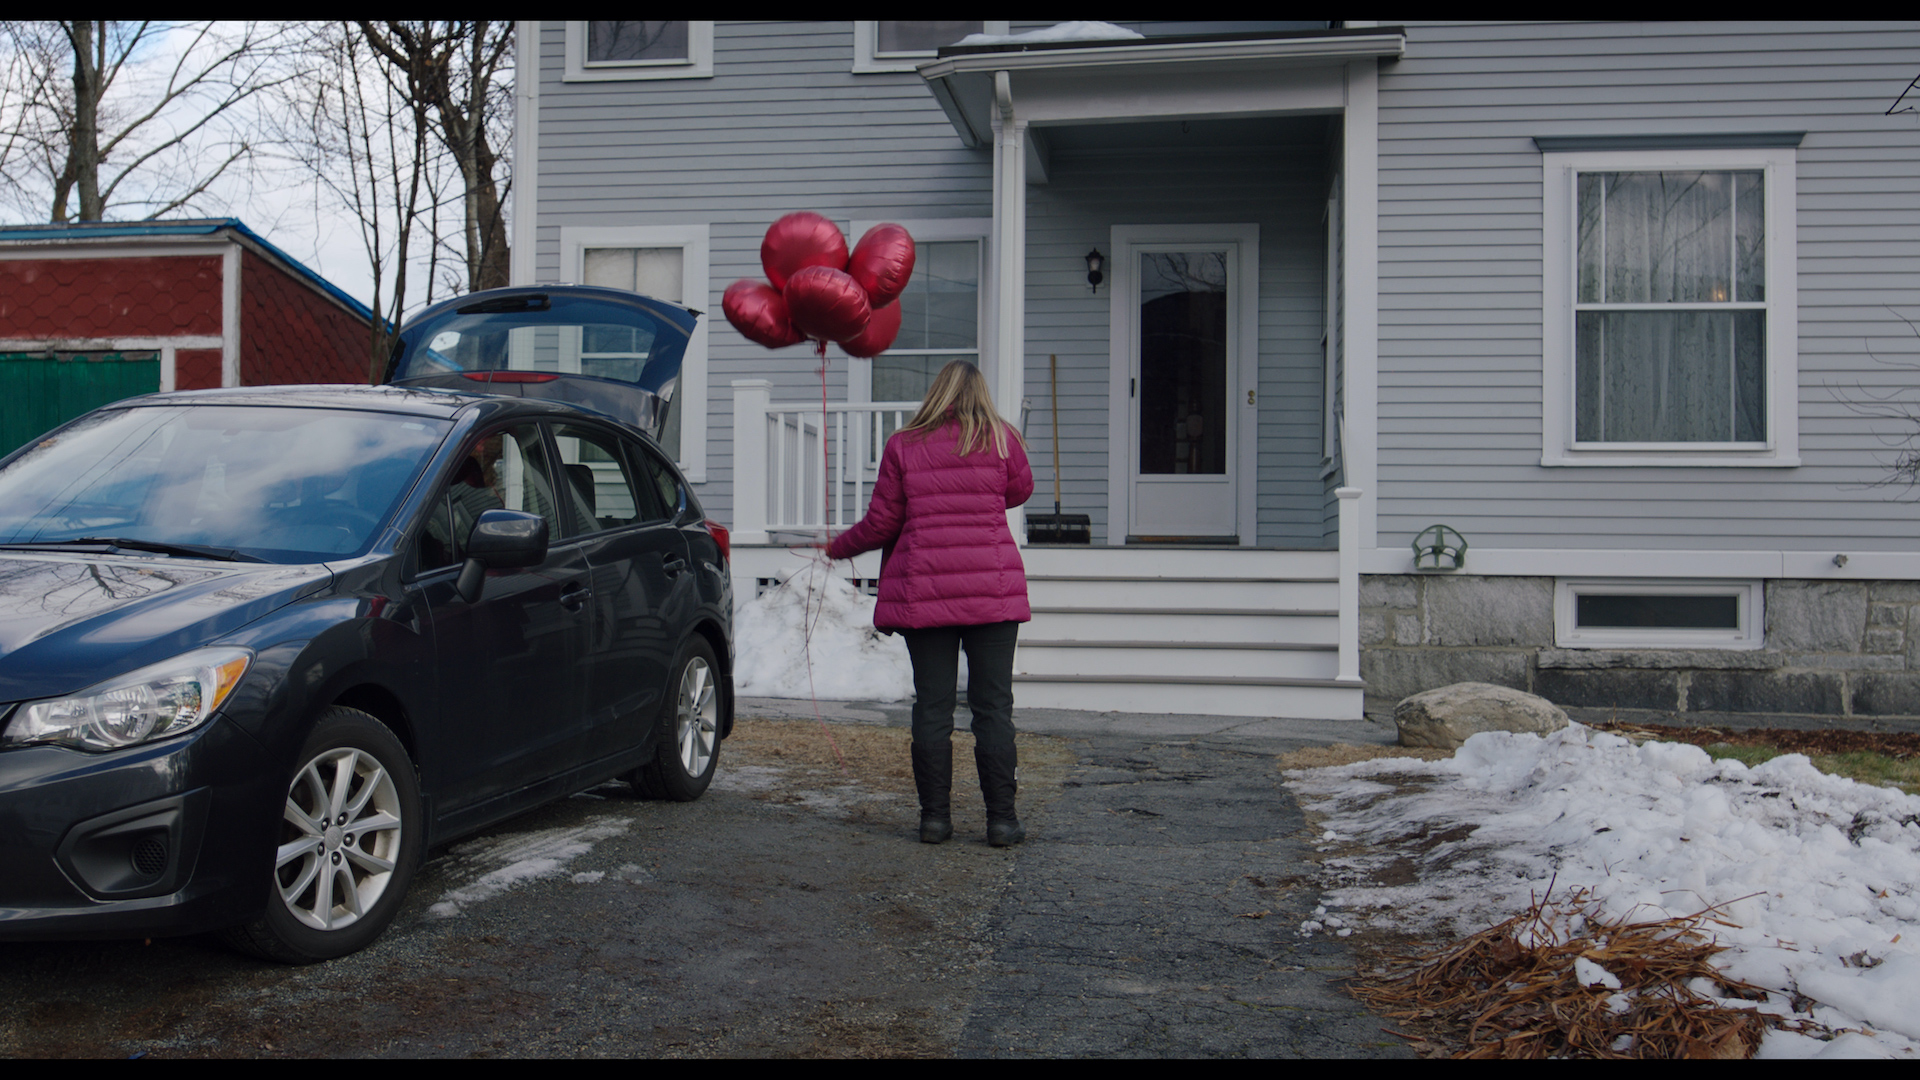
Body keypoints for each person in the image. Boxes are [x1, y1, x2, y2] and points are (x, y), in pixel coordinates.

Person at [827, 360, 1035, 846]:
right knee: (994, 709)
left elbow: (881, 523)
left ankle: (935, 820)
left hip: (928, 595)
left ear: (936, 394)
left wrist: (837, 547)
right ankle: (1002, 822)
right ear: (981, 394)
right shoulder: (1003, 439)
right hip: (993, 593)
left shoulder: (905, 444)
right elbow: (1019, 490)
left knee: (934, 708)